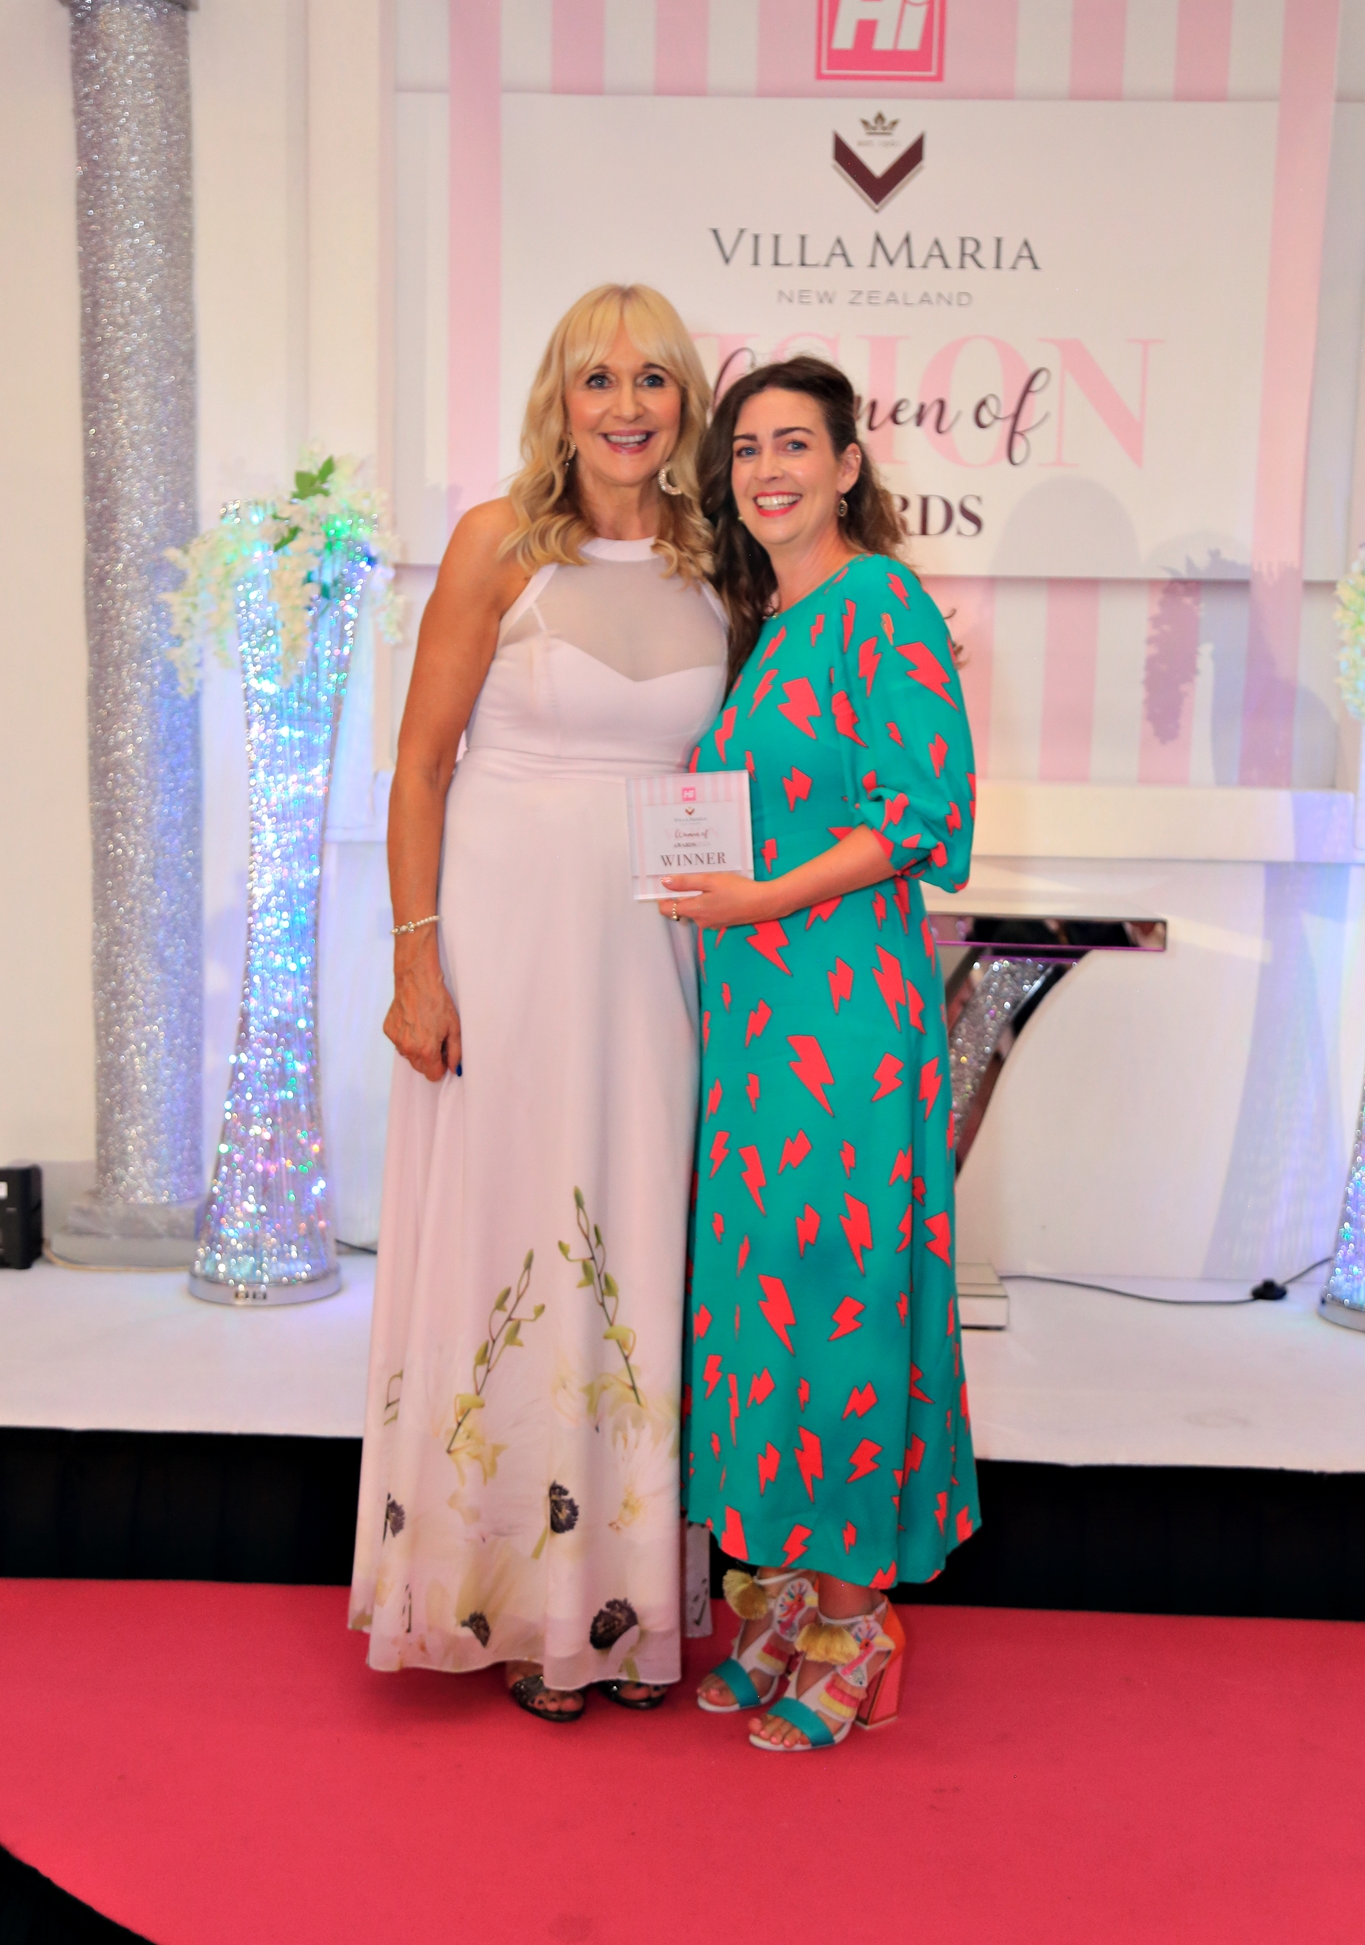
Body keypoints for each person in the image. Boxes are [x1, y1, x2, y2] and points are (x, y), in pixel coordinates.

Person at [349, 285, 727, 1722]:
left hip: (653, 969)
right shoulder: (497, 541)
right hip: (502, 959)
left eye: (652, 380)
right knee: (509, 1239)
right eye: (597, 380)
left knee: (635, 1246)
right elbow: (419, 766)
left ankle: (619, 1607)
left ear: (685, 402)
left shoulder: (715, 561)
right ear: (558, 401)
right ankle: (498, 1597)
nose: (627, 406)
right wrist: (415, 964)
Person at [662, 355, 979, 1751]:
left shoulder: (877, 602)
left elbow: (920, 813)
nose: (767, 470)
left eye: (794, 444)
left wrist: (759, 901)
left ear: (848, 466)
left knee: (840, 1295)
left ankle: (856, 1622)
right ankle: (788, 1593)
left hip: (842, 1023)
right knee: (762, 1302)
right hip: (756, 1027)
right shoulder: (772, 625)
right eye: (746, 450)